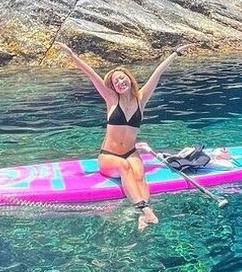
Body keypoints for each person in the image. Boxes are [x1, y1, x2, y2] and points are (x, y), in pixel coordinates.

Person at [56, 41, 193, 230]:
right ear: (113, 87)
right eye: (116, 82)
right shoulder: (111, 99)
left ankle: (143, 216)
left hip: (131, 152)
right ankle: (144, 210)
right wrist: (72, 55)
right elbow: (92, 76)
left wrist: (176, 53)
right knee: (123, 166)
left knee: (139, 174)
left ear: (129, 78)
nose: (120, 83)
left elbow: (157, 74)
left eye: (122, 78)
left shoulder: (141, 98)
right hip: (109, 156)